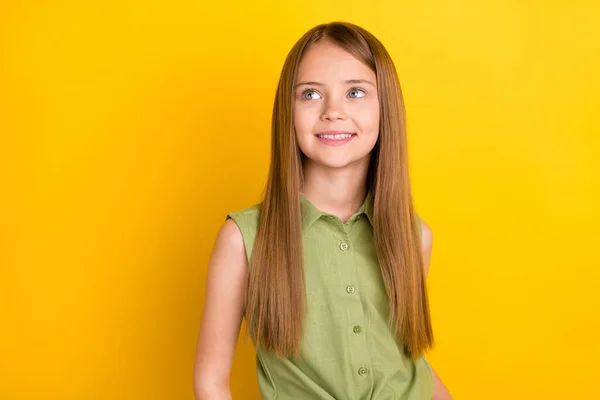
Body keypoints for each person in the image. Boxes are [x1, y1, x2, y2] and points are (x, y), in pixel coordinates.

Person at [194, 21, 453, 400]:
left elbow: (407, 365)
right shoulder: (244, 240)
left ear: (387, 108)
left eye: (355, 92)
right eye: (311, 94)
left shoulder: (414, 235)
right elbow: (211, 383)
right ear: (289, 109)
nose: (334, 111)